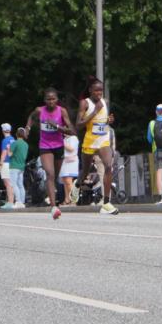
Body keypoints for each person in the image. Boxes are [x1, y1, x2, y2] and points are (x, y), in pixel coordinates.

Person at [26, 87, 75, 219]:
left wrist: (57, 127)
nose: (51, 101)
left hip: (58, 146)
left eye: (53, 99)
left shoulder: (62, 111)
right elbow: (31, 117)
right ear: (44, 100)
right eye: (48, 99)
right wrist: (28, 128)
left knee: (56, 176)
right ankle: (54, 207)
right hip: (45, 146)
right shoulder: (39, 111)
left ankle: (53, 193)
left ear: (57, 100)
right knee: (50, 173)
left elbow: (71, 131)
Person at [77, 78, 119, 214]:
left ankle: (106, 203)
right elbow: (79, 124)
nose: (99, 93)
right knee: (85, 171)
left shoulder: (105, 102)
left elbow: (103, 121)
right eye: (96, 90)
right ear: (90, 90)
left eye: (101, 90)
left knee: (108, 166)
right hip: (90, 141)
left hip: (103, 140)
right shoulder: (85, 103)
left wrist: (109, 120)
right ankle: (77, 184)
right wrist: (94, 111)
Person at [8, 127, 29, 208]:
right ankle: (22, 202)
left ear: (17, 134)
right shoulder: (26, 144)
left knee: (14, 184)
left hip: (14, 165)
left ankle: (18, 201)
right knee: (20, 184)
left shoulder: (15, 143)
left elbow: (10, 154)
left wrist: (8, 148)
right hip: (22, 166)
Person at [59, 131, 80, 206]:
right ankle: (67, 199)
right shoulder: (65, 139)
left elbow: (71, 149)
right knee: (65, 181)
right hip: (65, 160)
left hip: (72, 161)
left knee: (69, 181)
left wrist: (62, 143)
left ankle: (73, 200)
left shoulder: (73, 138)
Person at [0, 123, 15, 209]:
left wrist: (0, 164)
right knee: (11, 183)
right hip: (12, 163)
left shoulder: (5, 140)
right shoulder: (13, 139)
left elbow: (4, 153)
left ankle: (10, 202)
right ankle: (11, 201)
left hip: (5, 163)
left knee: (7, 183)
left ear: (3, 130)